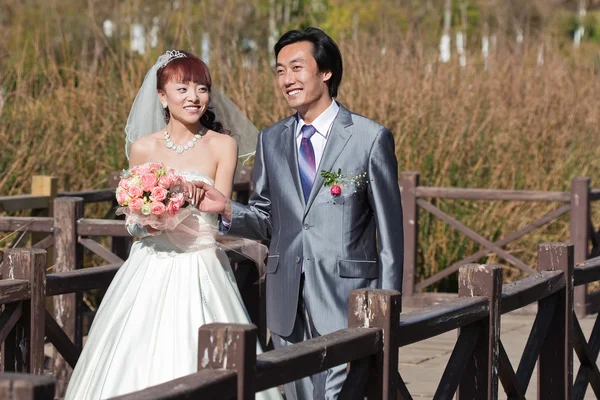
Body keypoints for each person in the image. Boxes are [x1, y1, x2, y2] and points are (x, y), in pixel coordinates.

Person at [192, 28, 404, 400]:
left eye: (296, 67)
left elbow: (390, 236)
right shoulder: (271, 139)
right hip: (287, 298)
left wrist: (386, 305)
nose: (287, 79)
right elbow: (266, 217)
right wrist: (227, 208)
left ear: (326, 72)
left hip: (349, 300)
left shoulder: (370, 138)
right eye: (279, 71)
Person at [65, 50, 282, 400]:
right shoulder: (142, 148)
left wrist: (189, 204)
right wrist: (148, 223)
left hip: (199, 263)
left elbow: (219, 214)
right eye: (182, 88)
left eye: (201, 88)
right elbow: (132, 224)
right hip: (149, 265)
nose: (194, 97)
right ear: (162, 97)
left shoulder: (223, 145)